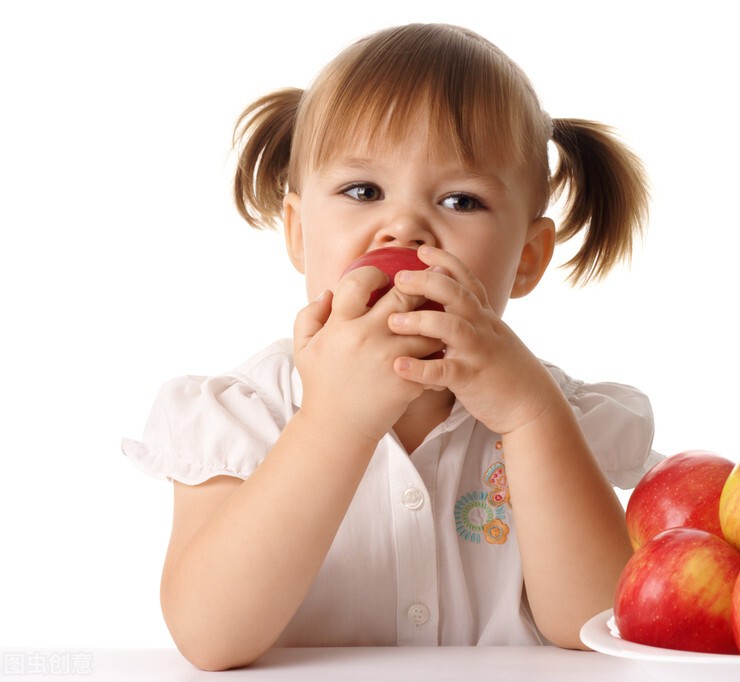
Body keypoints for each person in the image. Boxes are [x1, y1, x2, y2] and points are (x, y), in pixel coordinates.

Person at [122, 23, 659, 671]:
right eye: (362, 191)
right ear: (298, 231)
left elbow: (598, 623)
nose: (404, 226)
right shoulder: (243, 416)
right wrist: (333, 420)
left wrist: (530, 416)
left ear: (527, 257)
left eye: (461, 200)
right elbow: (209, 637)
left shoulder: (558, 418)